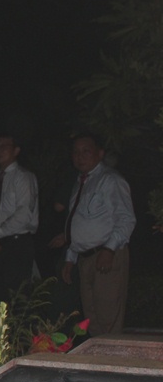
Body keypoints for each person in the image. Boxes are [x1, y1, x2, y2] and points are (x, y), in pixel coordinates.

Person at [58, 133, 135, 335]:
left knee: (108, 316)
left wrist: (109, 249)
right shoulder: (81, 182)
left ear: (100, 154)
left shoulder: (110, 180)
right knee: (92, 320)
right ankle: (98, 363)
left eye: (86, 151)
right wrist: (70, 257)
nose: (80, 156)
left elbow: (126, 219)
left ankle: (111, 364)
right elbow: (77, 221)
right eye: (76, 152)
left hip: (106, 256)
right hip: (85, 259)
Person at [0, 134, 39, 302]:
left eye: (3, 146)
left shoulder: (23, 177)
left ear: (16, 150)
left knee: (18, 297)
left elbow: (24, 214)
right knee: (1, 296)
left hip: (17, 243)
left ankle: (22, 328)